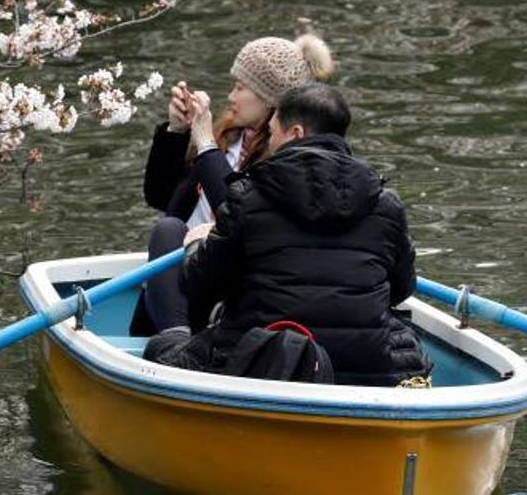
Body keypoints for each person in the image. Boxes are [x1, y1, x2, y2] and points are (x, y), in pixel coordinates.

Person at [142, 82, 432, 387]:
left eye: (273, 131)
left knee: (161, 348)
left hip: (255, 361)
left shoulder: (248, 195)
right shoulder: (385, 203)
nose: (269, 142)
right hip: (365, 367)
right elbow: (401, 288)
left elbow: (201, 284)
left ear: (295, 133)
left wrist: (196, 245)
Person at [133, 33, 336, 335]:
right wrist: (176, 132)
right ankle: (172, 338)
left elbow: (239, 212)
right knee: (169, 229)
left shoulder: (287, 158)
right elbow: (161, 198)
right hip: (192, 273)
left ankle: (175, 343)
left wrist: (204, 145)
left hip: (236, 285)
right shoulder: (227, 136)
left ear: (270, 100)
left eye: (241, 87)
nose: (230, 97)